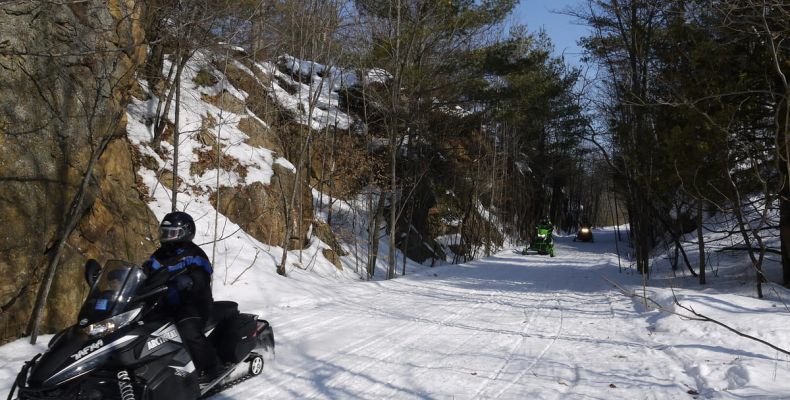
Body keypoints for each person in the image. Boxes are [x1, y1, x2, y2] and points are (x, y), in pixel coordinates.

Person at [143, 211, 223, 384]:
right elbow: (146, 274)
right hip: (164, 304)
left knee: (188, 330)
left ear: (185, 232)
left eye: (171, 232)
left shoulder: (194, 254)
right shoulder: (158, 255)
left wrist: (191, 280)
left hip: (193, 304)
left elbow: (202, 275)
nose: (166, 237)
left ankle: (211, 367)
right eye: (164, 232)